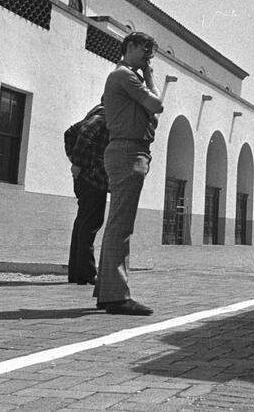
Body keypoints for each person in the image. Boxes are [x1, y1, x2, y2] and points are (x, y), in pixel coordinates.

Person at [97, 32, 163, 316]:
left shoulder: (125, 79)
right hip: (127, 152)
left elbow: (154, 114)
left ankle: (107, 291)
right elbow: (158, 104)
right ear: (130, 46)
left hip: (130, 151)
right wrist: (148, 76)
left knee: (117, 224)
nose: (148, 56)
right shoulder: (125, 76)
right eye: (145, 50)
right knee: (121, 227)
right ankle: (116, 296)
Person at [65, 104, 109, 285]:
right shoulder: (104, 116)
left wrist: (76, 164)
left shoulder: (98, 113)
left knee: (83, 222)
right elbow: (84, 134)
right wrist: (79, 163)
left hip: (88, 176)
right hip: (93, 178)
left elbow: (70, 133)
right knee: (90, 223)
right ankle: (87, 272)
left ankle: (77, 272)